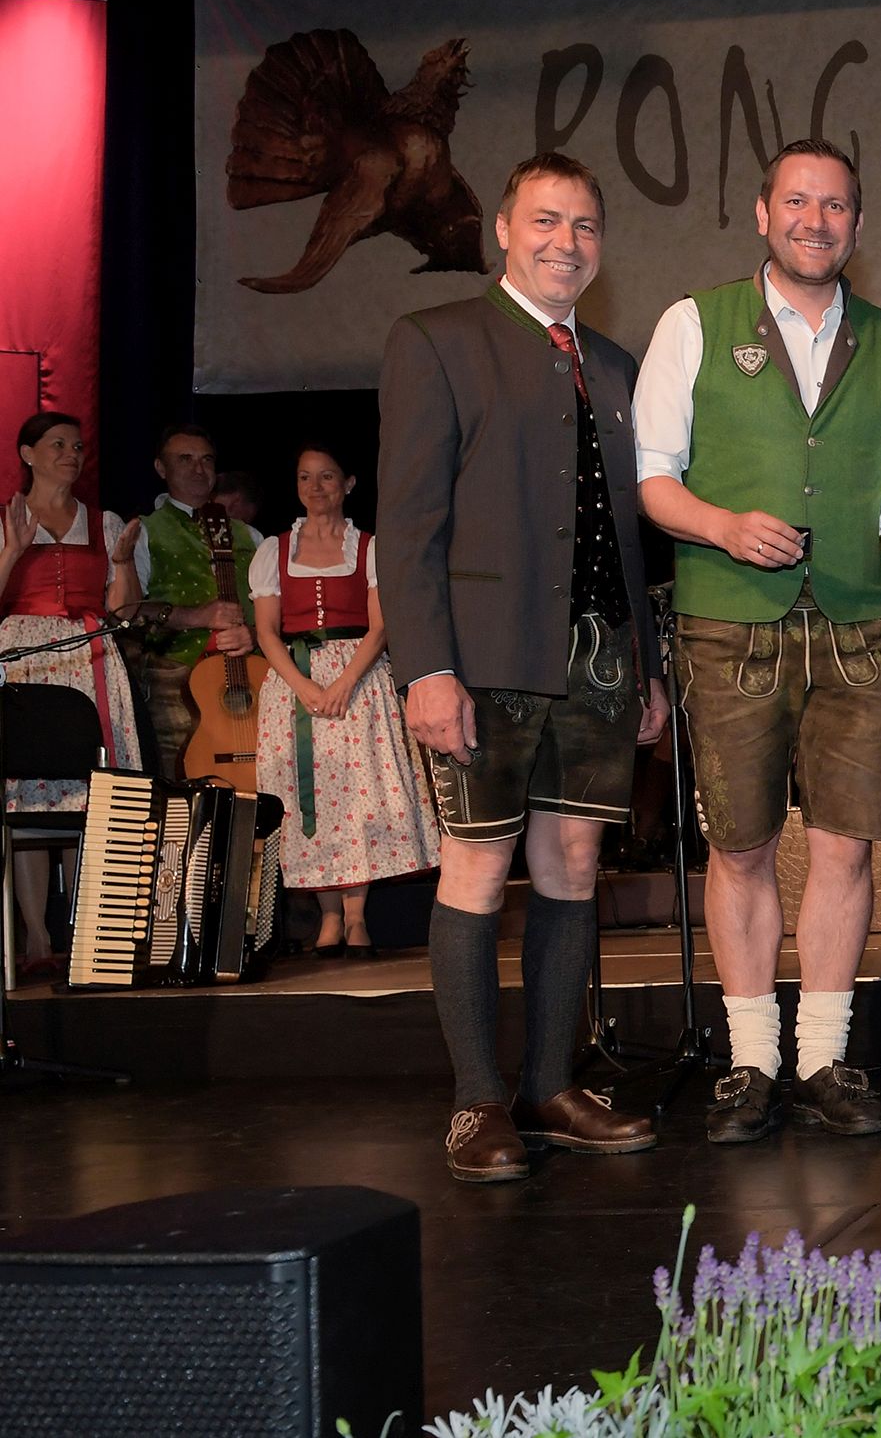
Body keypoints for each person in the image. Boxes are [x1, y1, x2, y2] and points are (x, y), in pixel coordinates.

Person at [379, 150, 666, 1182]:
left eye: (585, 225)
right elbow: (405, 527)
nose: (566, 242)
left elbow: (630, 536)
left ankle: (549, 1084)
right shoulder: (437, 341)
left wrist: (641, 662)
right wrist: (425, 668)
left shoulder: (622, 365)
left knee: (573, 869)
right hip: (482, 661)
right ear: (503, 230)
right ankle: (474, 1103)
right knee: (476, 866)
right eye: (546, 221)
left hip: (596, 659)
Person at [635, 139, 881, 1145]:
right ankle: (750, 1059)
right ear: (762, 213)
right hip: (730, 621)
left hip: (852, 618)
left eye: (834, 206)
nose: (815, 220)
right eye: (797, 202)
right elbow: (655, 477)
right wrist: (721, 526)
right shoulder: (692, 323)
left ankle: (824, 1056)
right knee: (741, 844)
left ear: (857, 224)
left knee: (844, 846)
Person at [249, 444, 439, 957]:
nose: (315, 488)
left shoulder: (369, 547)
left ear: (348, 483)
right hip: (295, 682)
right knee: (306, 798)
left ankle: (356, 917)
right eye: (305, 478)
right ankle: (328, 914)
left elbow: (381, 625)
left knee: (358, 796)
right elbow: (266, 633)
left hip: (359, 679)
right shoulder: (274, 549)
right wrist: (305, 686)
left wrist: (344, 683)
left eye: (327, 477)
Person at [0, 413, 141, 974]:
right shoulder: (7, 519)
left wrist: (124, 562)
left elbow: (123, 611)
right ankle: (35, 938)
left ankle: (88, 931)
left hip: (89, 657)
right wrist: (12, 552)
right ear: (27, 453)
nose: (71, 452)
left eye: (78, 445)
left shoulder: (103, 523)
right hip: (25, 656)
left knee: (87, 794)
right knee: (30, 791)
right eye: (57, 444)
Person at [134, 426, 260, 780]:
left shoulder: (248, 535)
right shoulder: (144, 531)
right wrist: (193, 616)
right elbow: (127, 611)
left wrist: (253, 633)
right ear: (161, 468)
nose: (198, 468)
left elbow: (273, 610)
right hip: (175, 677)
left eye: (206, 460)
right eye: (184, 459)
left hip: (247, 680)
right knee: (183, 784)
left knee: (256, 781)